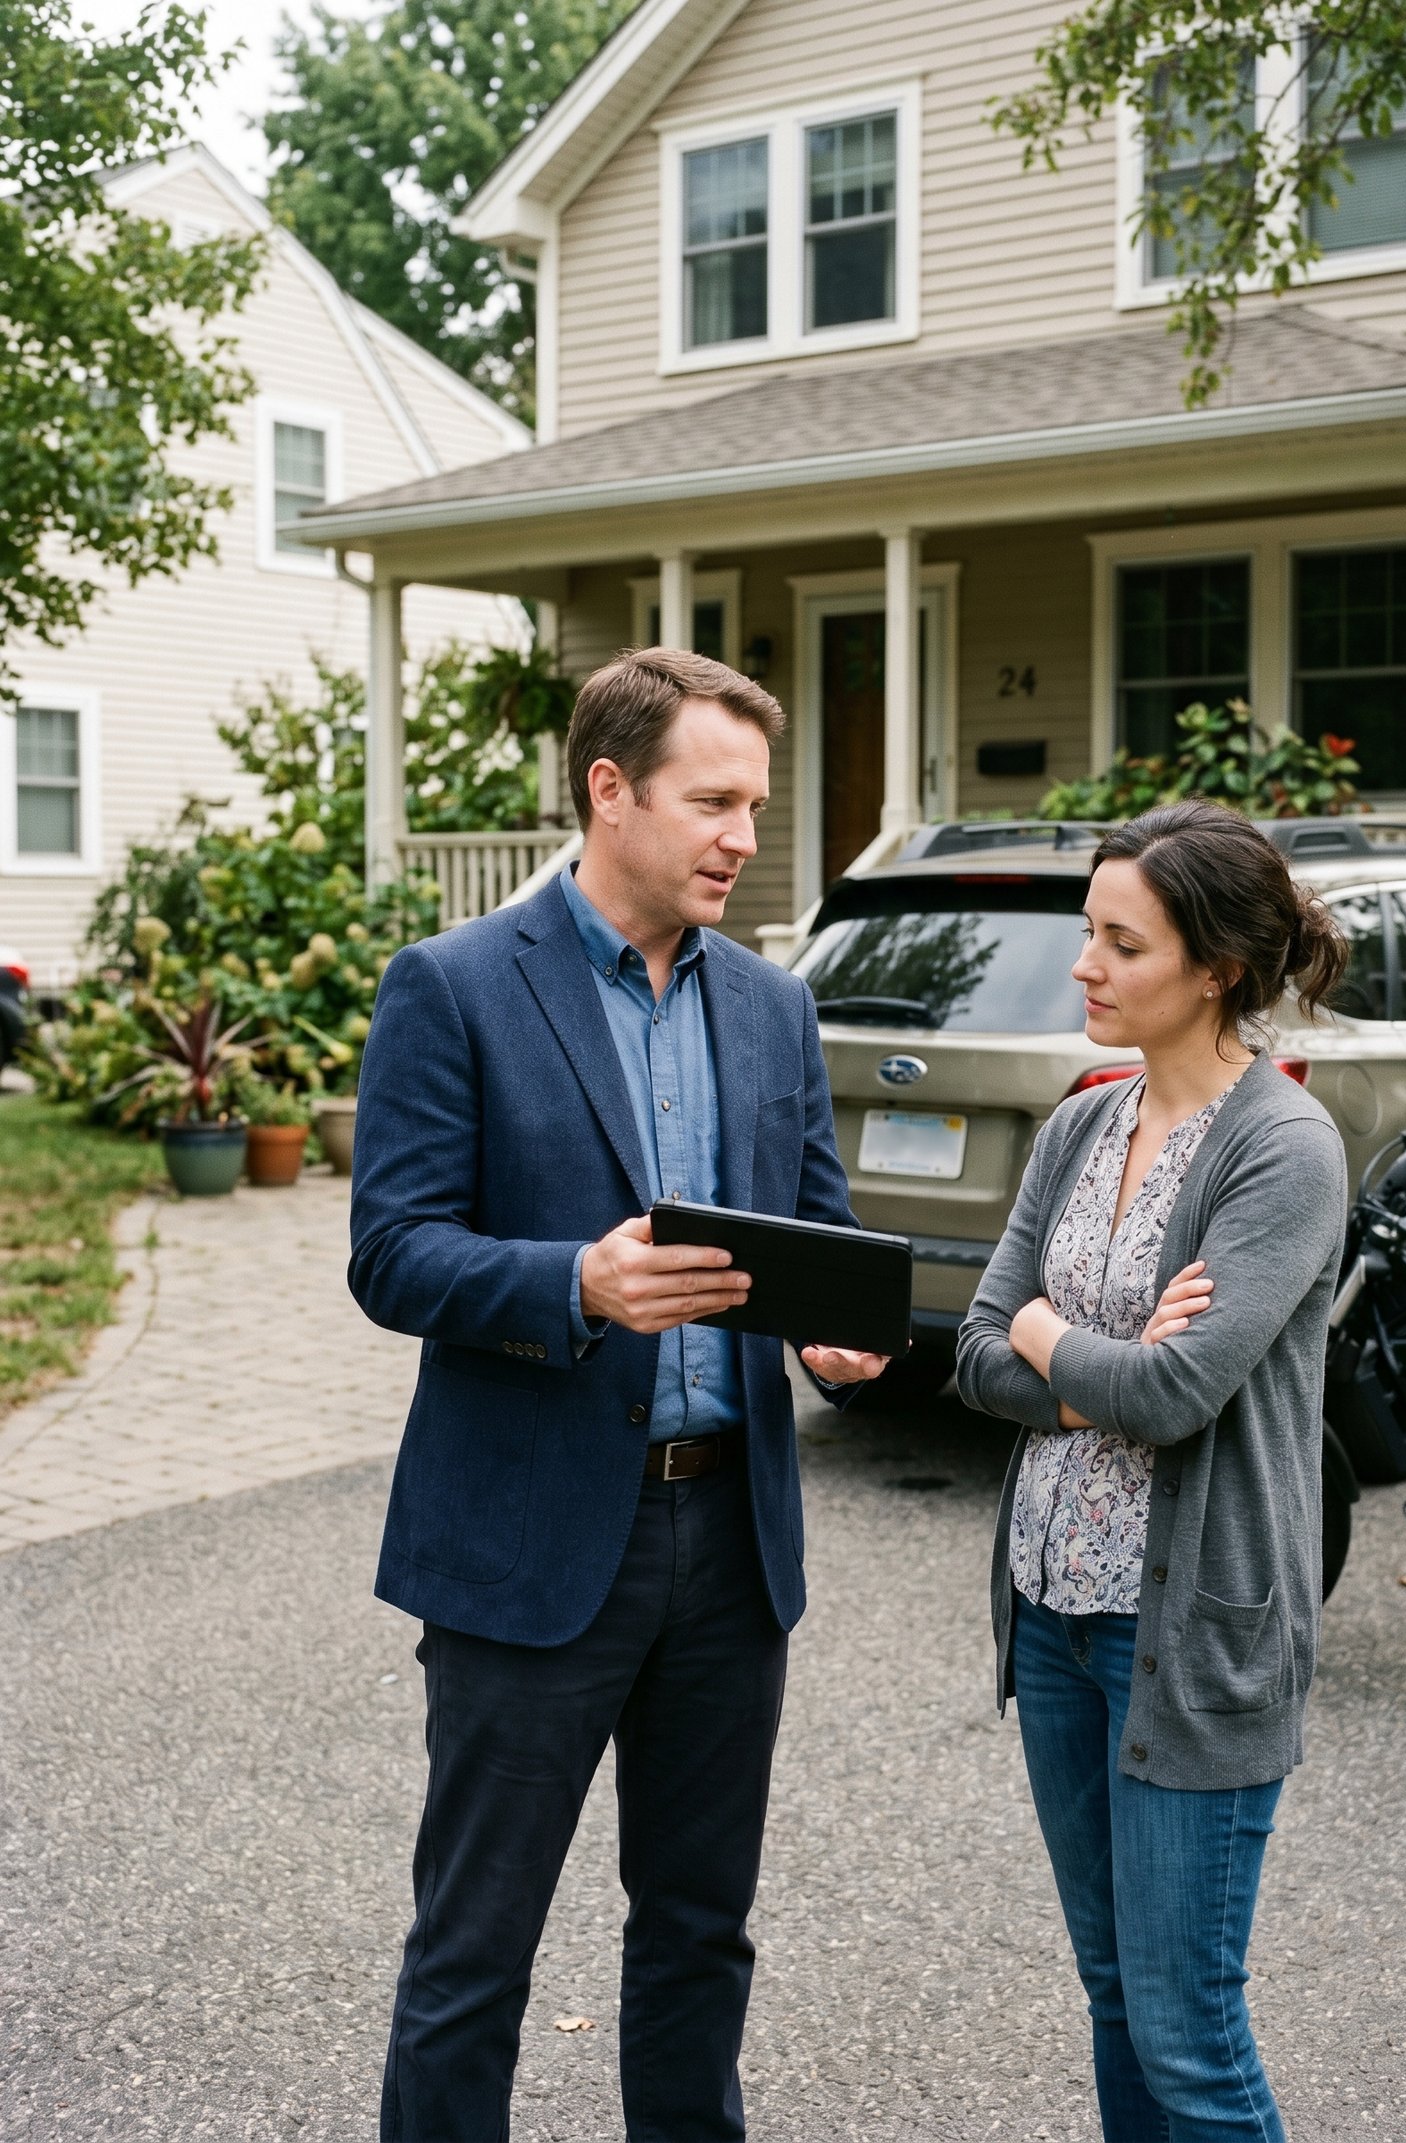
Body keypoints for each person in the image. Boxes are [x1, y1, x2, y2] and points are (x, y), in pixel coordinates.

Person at [349, 647, 888, 2143]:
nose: (744, 835)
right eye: (713, 800)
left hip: (731, 1546)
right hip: (528, 1554)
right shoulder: (452, 986)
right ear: (609, 790)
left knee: (701, 1935)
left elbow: (819, 1230)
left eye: (754, 806)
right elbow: (391, 1256)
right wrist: (570, 1285)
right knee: (474, 1956)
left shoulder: (776, 1007)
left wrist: (842, 1337)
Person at [957, 800, 1350, 2143]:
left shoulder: (1281, 1150)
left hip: (1185, 1641)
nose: (1086, 966)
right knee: (1115, 1994)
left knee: (1190, 2036)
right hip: (1054, 1616)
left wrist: (1050, 1333)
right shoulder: (1082, 1126)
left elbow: (1178, 1396)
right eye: (1090, 935)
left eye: (1122, 944)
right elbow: (973, 1354)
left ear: (1215, 970)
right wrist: (1083, 1368)